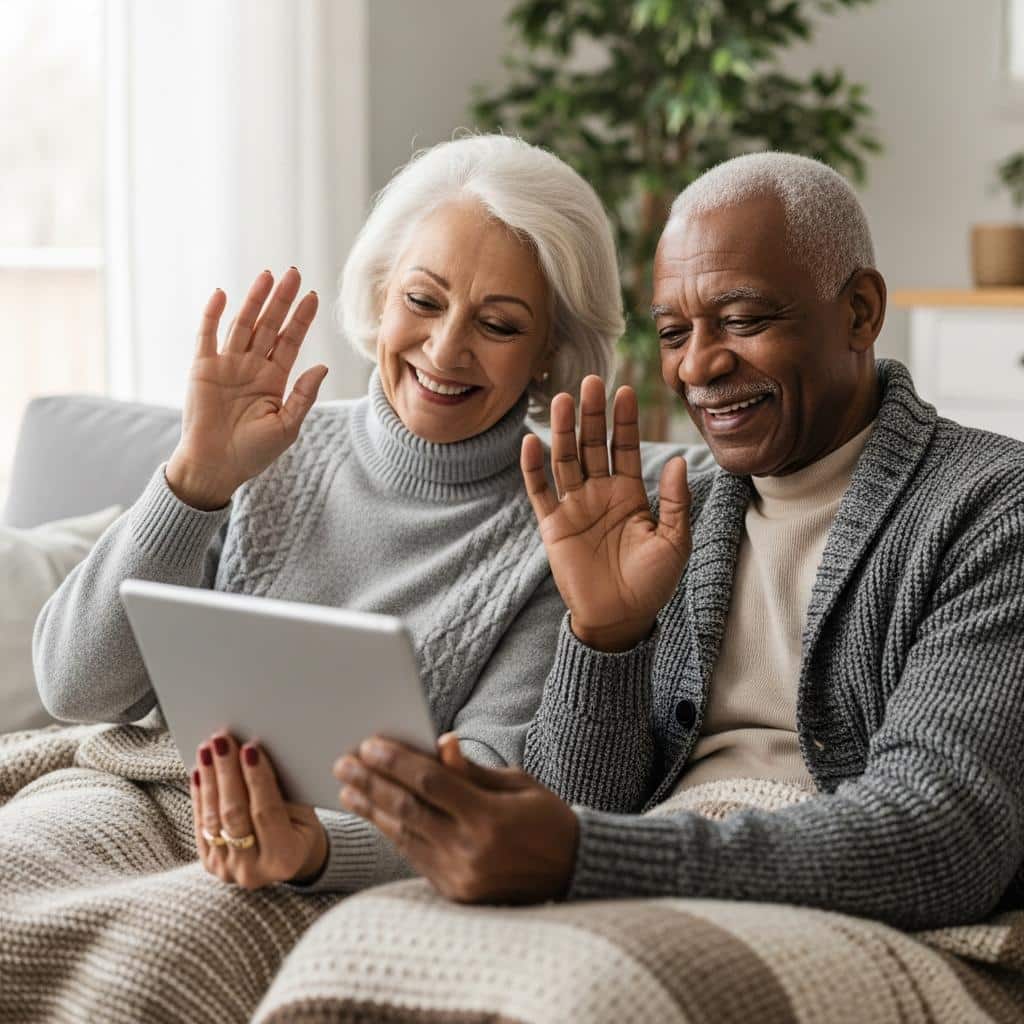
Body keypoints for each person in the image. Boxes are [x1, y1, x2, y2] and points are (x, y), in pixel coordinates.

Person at [334, 152, 1024, 931]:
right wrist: (606, 635)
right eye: (673, 331)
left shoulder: (993, 508)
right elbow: (570, 806)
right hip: (632, 896)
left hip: (832, 920)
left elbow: (944, 840)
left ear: (860, 312)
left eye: (743, 319)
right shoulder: (668, 517)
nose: (699, 364)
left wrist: (593, 860)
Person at [32, 133, 635, 894]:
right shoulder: (263, 445)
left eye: (500, 324)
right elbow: (74, 690)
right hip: (142, 804)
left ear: (551, 348)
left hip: (331, 874)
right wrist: (192, 480)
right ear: (383, 294)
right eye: (423, 301)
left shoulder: (565, 531)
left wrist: (316, 851)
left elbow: (489, 794)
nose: (446, 351)